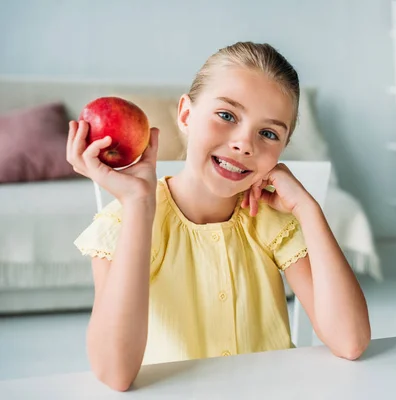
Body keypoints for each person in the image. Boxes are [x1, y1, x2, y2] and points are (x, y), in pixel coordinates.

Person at [67, 41, 370, 392]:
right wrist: (138, 205)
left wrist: (308, 209)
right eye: (227, 116)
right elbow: (114, 373)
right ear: (185, 115)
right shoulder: (122, 225)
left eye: (268, 133)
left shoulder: (272, 223)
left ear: (282, 151)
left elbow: (350, 341)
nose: (244, 144)